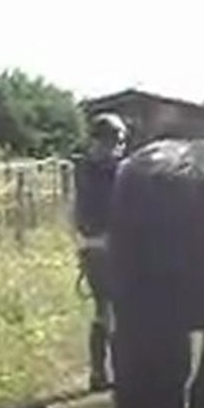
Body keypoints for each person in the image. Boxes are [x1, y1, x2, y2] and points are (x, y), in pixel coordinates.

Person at [73, 112, 128, 392]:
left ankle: (99, 373)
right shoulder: (113, 170)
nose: (115, 147)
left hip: (95, 247)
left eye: (117, 142)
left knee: (105, 311)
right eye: (114, 141)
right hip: (106, 248)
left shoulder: (85, 168)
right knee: (113, 312)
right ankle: (112, 372)